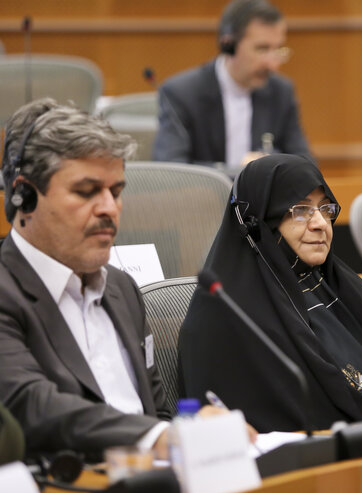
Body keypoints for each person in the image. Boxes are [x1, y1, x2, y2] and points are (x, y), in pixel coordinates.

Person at [0, 99, 246, 460]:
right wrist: (160, 437)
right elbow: (30, 405)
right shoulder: (6, 290)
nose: (109, 208)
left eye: (115, 192)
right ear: (25, 196)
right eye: (86, 191)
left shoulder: (122, 288)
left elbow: (156, 410)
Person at [178, 154, 362, 432]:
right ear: (258, 223)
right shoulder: (226, 316)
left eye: (325, 209)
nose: (321, 224)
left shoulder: (345, 289)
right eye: (301, 210)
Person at [153, 0, 312, 168]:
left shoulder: (281, 92)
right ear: (228, 45)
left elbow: (306, 165)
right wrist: (243, 173)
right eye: (262, 49)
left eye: (278, 49)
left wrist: (273, 164)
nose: (273, 65)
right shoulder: (181, 93)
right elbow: (170, 169)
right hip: (205, 194)